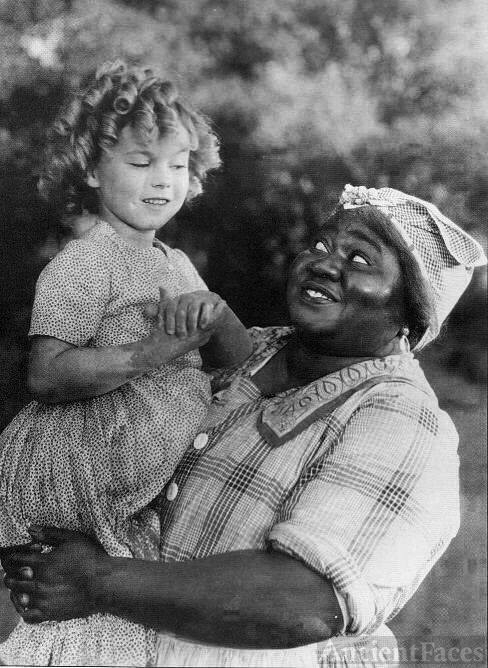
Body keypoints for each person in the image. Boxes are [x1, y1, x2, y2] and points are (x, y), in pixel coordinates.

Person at [2, 184, 487, 667]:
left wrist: (96, 581)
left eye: (360, 260)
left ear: (410, 313)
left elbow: (304, 602)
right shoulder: (240, 349)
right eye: (320, 245)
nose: (323, 263)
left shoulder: (402, 421)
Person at [0, 60, 251, 666]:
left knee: (121, 620)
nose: (162, 180)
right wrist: (151, 353)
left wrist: (215, 318)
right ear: (91, 168)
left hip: (142, 492)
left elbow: (237, 363)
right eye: (141, 163)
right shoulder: (86, 263)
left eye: (176, 163)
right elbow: (46, 373)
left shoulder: (177, 263)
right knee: (63, 613)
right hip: (78, 478)